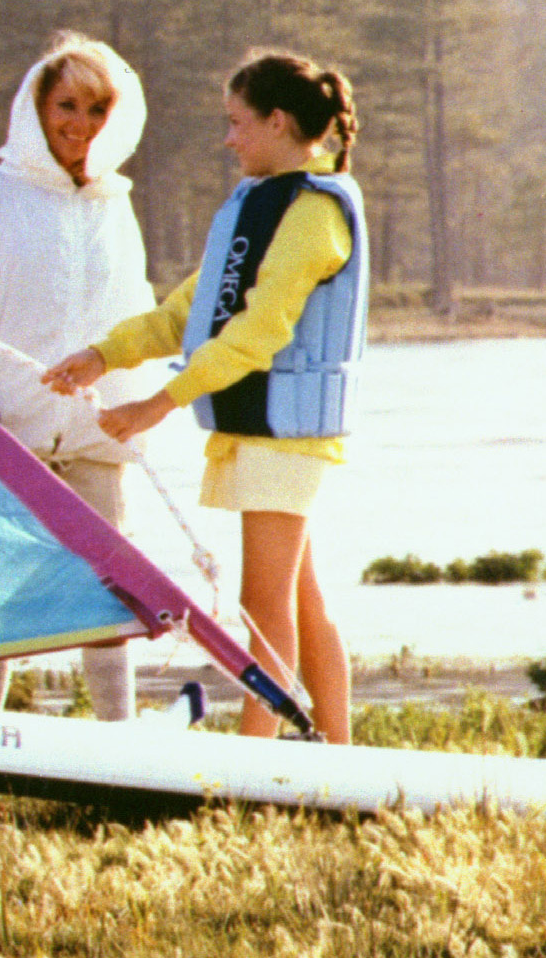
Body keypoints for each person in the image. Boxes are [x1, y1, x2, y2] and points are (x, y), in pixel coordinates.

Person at [43, 50, 364, 744]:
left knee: (261, 605)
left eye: (236, 123)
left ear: (277, 122)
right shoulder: (255, 206)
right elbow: (181, 314)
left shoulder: (315, 214)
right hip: (261, 436)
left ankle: (255, 760)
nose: (228, 139)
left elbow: (259, 332)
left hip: (289, 439)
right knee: (302, 601)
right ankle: (340, 756)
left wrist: (154, 405)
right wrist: (101, 355)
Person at [0, 36, 153, 719]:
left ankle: (120, 742)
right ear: (36, 110)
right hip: (3, 433)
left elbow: (134, 320)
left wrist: (138, 409)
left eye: (98, 108)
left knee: (112, 592)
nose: (80, 123)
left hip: (95, 437)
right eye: (66, 105)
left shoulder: (115, 204)